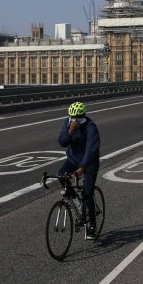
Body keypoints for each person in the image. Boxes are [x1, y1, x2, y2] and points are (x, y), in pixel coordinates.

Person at [57, 101, 101, 239]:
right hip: (73, 159)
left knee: (88, 194)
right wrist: (70, 131)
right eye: (72, 118)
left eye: (77, 119)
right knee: (61, 175)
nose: (74, 121)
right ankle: (76, 200)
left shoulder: (90, 126)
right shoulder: (68, 123)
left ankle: (92, 226)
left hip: (89, 163)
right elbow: (62, 142)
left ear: (83, 117)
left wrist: (82, 168)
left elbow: (91, 150)